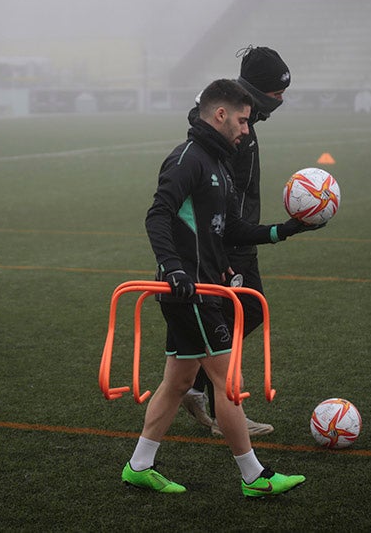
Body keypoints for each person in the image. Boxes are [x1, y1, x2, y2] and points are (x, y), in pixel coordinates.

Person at [121, 78, 313, 497]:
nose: (247, 130)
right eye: (243, 121)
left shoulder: (220, 165)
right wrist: (173, 270)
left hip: (204, 287)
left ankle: (139, 465)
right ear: (220, 114)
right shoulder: (187, 159)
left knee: (176, 382)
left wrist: (284, 231)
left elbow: (230, 229)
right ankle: (254, 477)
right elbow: (158, 215)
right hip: (190, 293)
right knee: (227, 382)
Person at [180, 46, 292, 437]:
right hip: (229, 240)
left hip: (240, 236)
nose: (281, 100)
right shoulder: (230, 132)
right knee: (232, 321)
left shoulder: (243, 119)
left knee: (245, 315)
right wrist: (225, 240)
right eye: (277, 93)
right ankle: (225, 413)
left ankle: (192, 387)